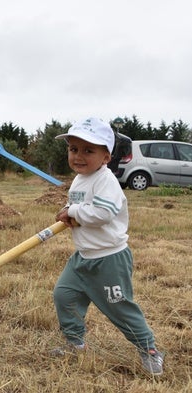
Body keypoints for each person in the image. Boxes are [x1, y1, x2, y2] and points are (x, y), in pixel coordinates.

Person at [53, 117, 164, 376]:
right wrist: (71, 215)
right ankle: (74, 343)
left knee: (120, 308)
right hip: (83, 257)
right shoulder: (81, 178)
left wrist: (75, 211)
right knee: (64, 295)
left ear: (106, 157)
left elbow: (103, 213)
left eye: (88, 150)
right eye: (73, 149)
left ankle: (150, 350)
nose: (78, 156)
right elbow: (83, 211)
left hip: (108, 260)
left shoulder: (106, 181)